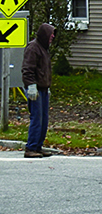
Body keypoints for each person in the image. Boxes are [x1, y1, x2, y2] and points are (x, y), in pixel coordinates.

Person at [20, 22, 55, 158]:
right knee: (37, 118)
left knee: (44, 119)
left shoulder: (44, 48)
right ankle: (31, 147)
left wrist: (47, 86)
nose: (52, 37)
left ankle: (38, 146)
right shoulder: (33, 48)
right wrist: (31, 86)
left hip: (43, 88)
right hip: (35, 88)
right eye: (51, 34)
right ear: (45, 34)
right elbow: (27, 69)